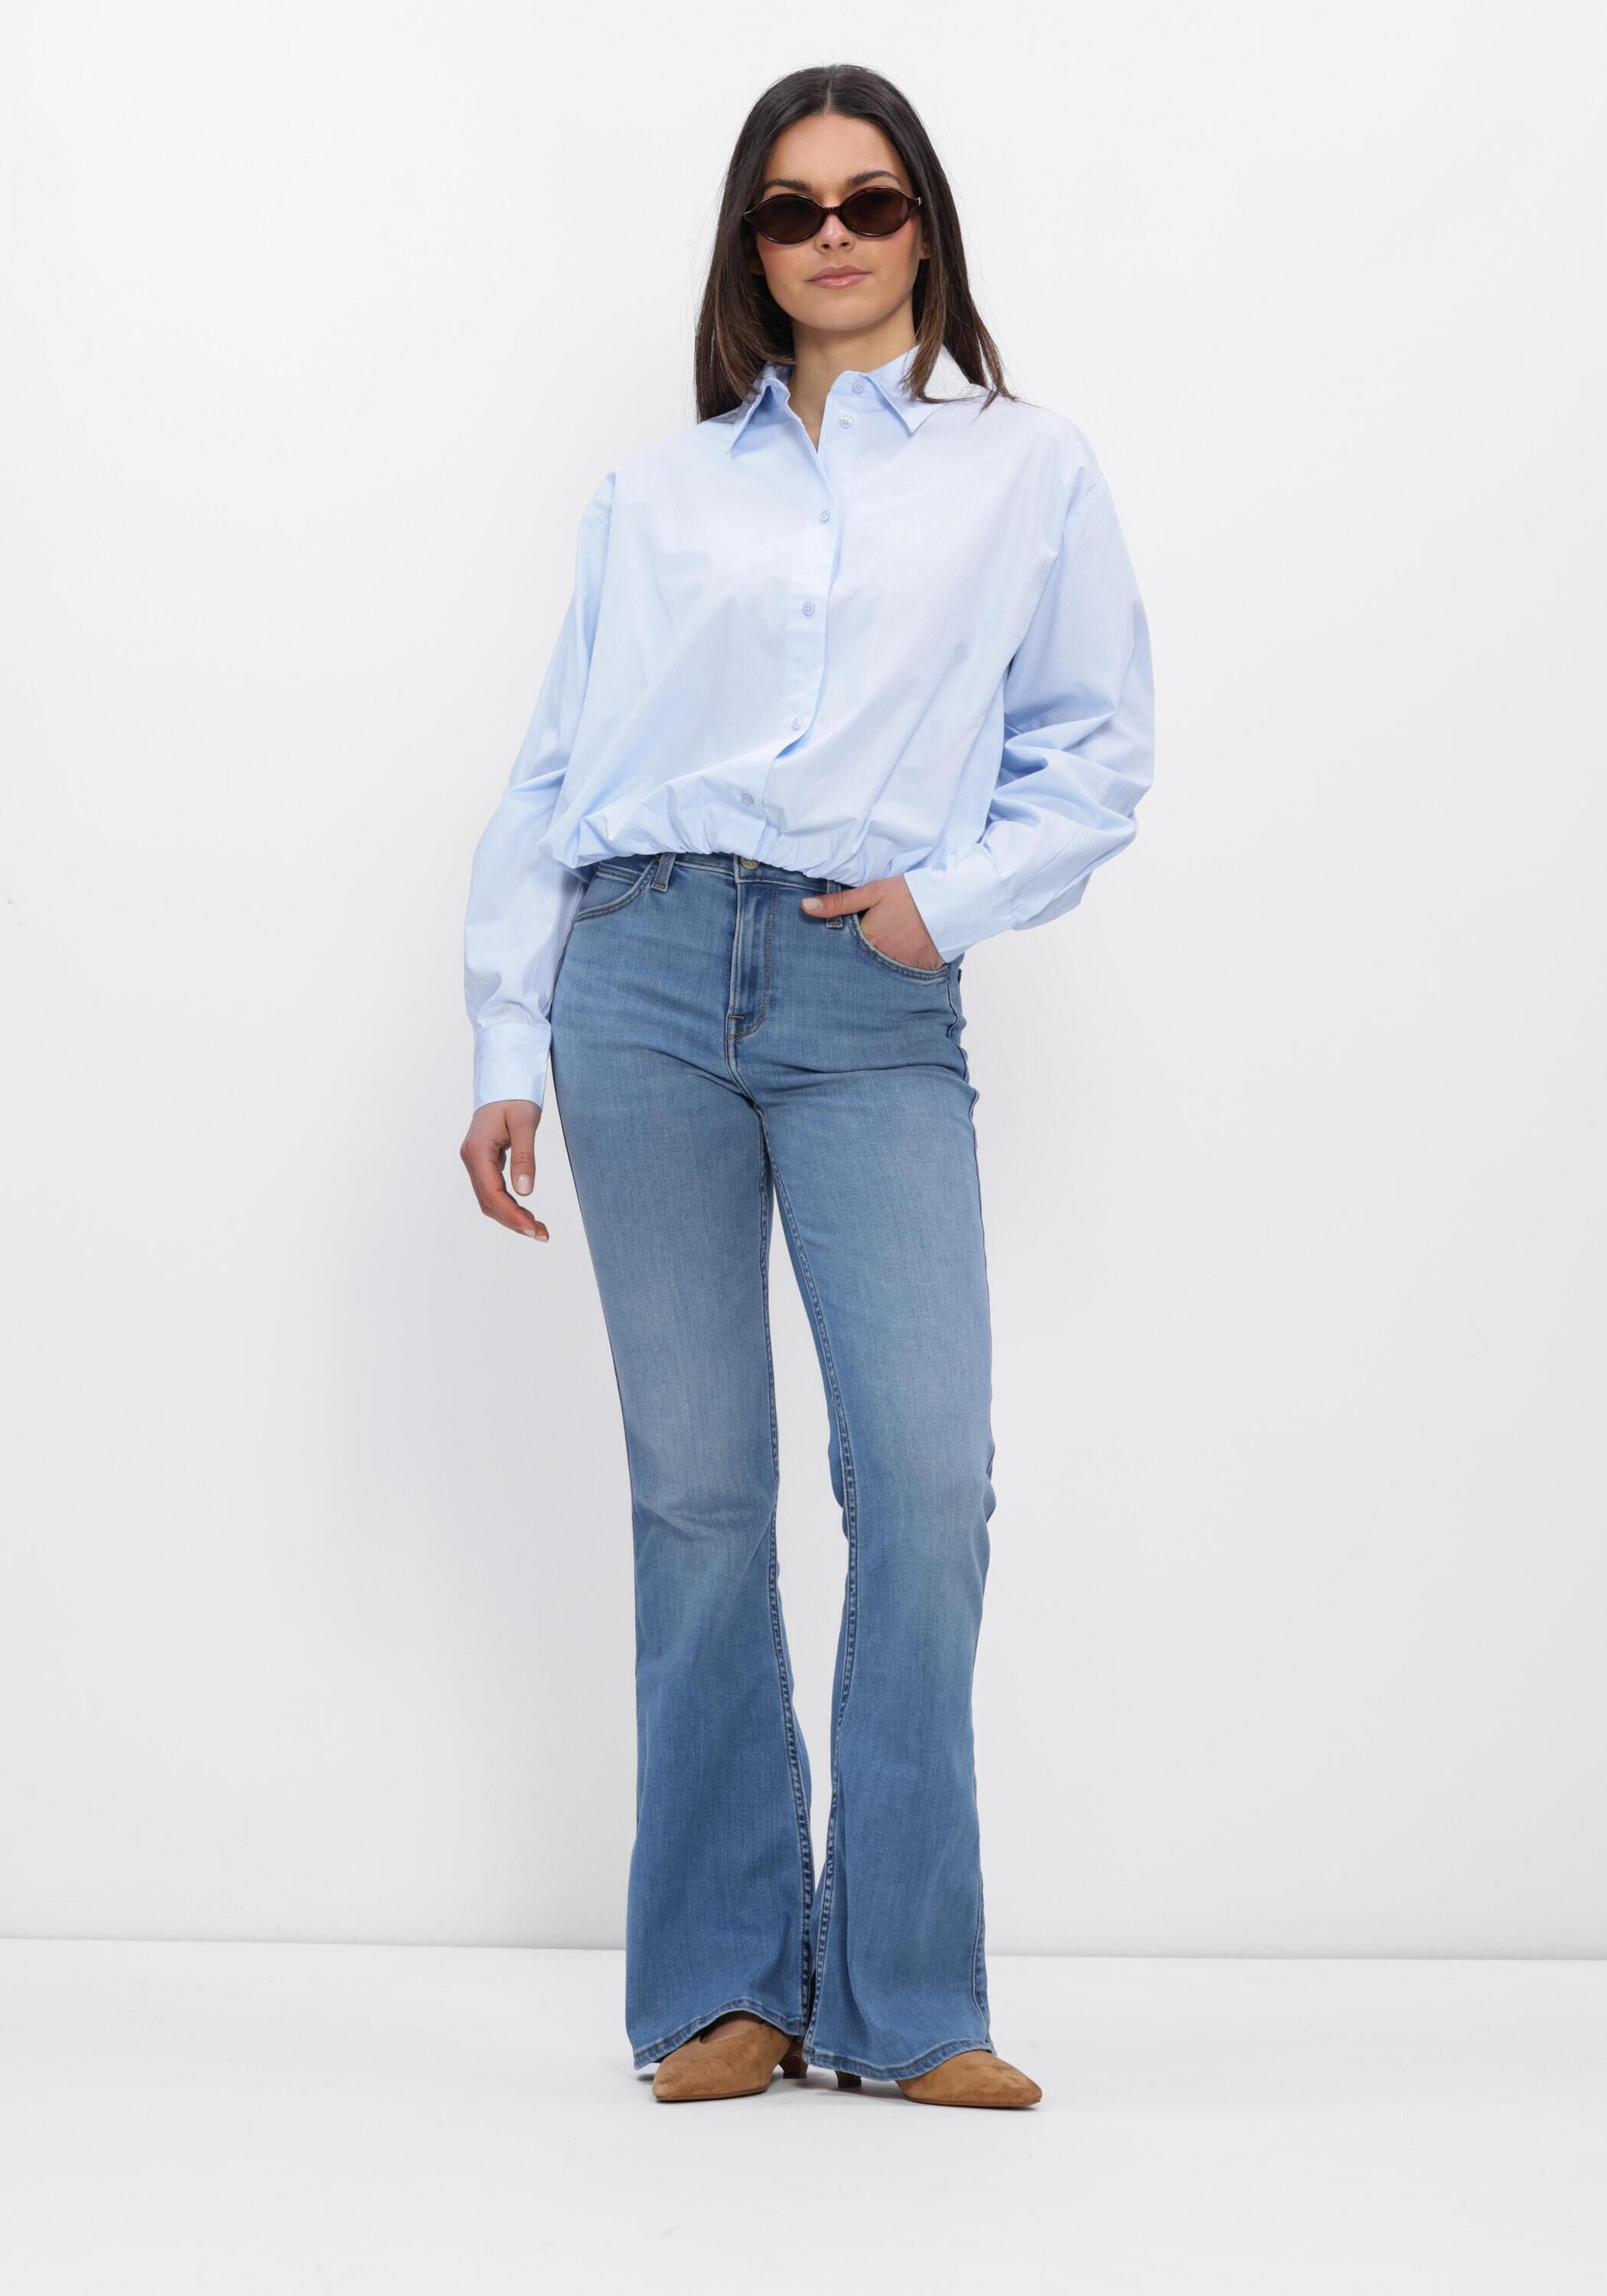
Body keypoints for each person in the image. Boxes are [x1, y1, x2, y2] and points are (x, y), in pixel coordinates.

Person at [461, 62, 1154, 2108]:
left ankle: (908, 1999)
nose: (833, 237)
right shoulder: (659, 493)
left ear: (924, 221)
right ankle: (720, 1990)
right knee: (696, 1495)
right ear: (748, 247)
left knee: (925, 1484)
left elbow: (1095, 746)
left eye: (869, 201)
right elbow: (556, 772)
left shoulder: (1028, 468)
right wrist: (506, 1035)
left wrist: (949, 903)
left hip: (869, 998)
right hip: (640, 978)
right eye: (791, 208)